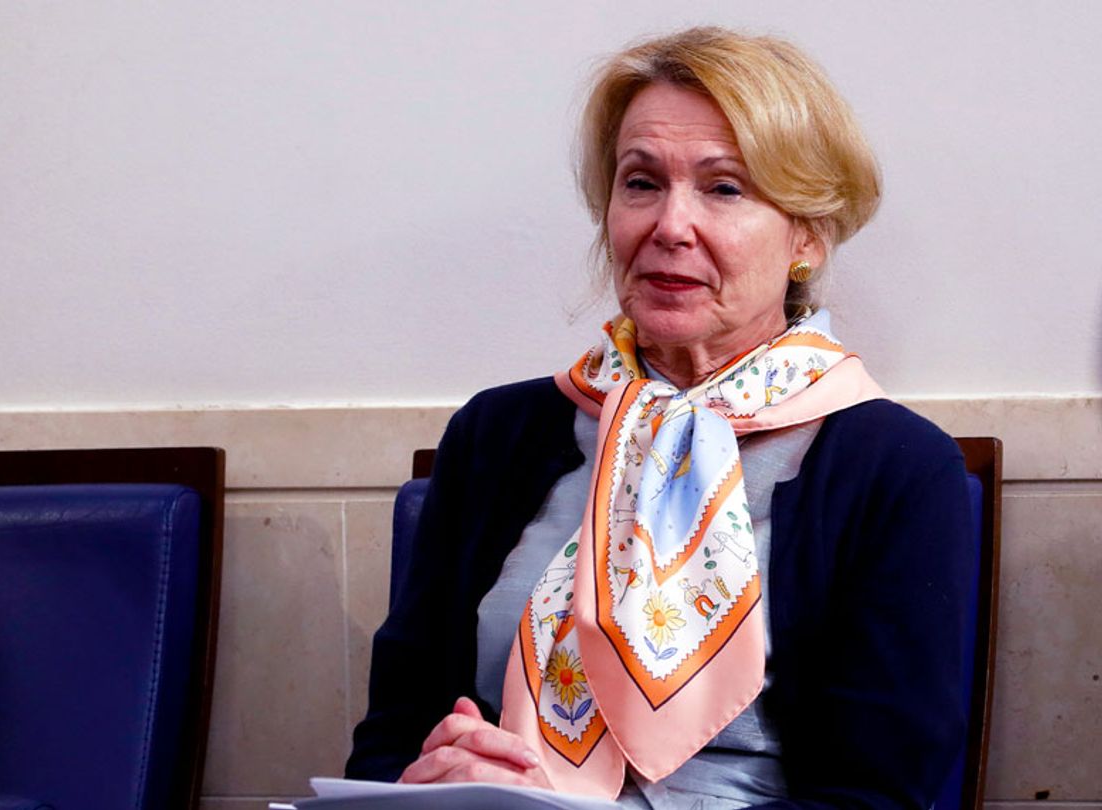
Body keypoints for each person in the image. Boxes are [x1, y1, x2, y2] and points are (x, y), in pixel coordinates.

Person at [346, 26, 974, 809]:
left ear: (807, 234)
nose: (669, 226)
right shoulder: (496, 435)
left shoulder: (896, 467)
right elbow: (392, 735)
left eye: (725, 189)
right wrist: (421, 784)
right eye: (641, 183)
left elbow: (879, 796)